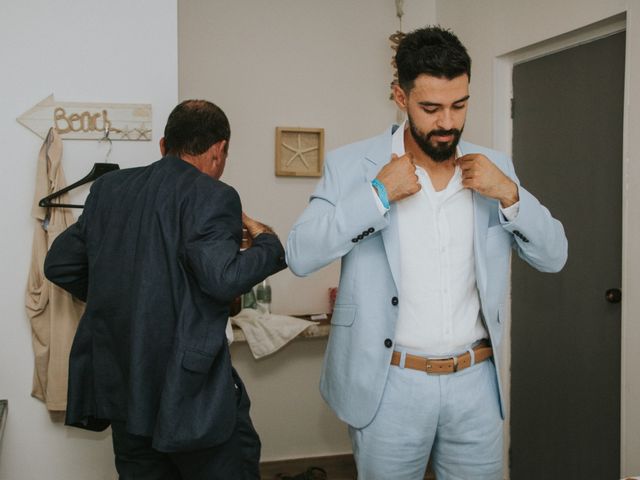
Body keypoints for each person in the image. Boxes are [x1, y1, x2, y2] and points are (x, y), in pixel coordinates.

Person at [286, 26, 567, 480]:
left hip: (475, 382)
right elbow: (300, 254)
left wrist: (510, 194)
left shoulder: (496, 167)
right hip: (390, 384)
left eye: (460, 105)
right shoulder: (350, 165)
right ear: (401, 96)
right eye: (431, 108)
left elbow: (554, 255)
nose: (447, 122)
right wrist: (377, 194)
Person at [44, 99, 286, 479]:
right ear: (220, 150)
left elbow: (59, 264)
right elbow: (222, 278)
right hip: (191, 393)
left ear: (162, 145)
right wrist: (268, 245)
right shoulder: (213, 194)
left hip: (124, 386)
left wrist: (119, 291)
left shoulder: (110, 189)